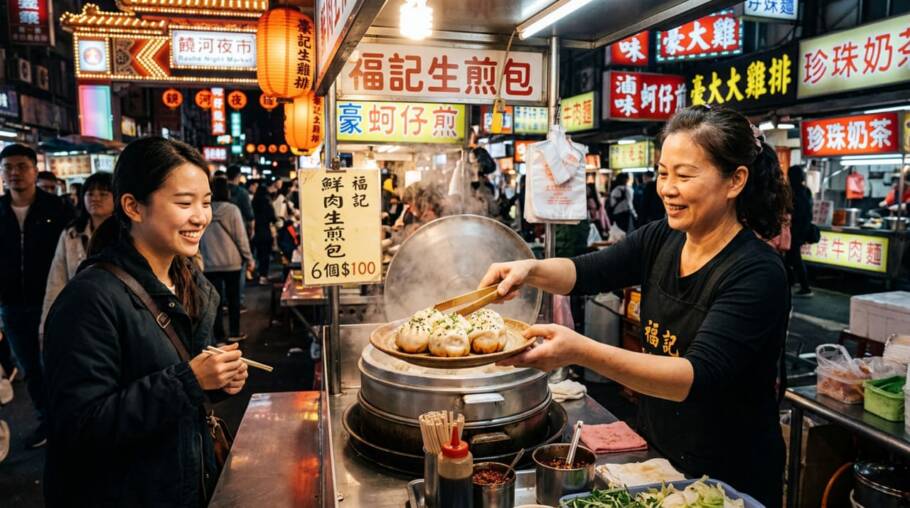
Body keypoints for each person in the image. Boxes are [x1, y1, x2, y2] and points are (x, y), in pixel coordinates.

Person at [480, 106, 791, 507]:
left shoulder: (756, 271)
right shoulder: (663, 237)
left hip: (731, 478)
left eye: (685, 175)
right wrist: (528, 268)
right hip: (662, 461)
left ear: (735, 181)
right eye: (663, 173)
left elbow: (694, 377)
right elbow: (587, 271)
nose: (667, 188)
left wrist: (579, 349)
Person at [43, 137, 248, 507]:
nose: (201, 216)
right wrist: (190, 380)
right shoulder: (91, 298)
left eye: (205, 202)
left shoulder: (189, 282)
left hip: (181, 480)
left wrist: (214, 381)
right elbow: (80, 425)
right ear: (133, 207)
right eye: (184, 203)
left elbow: (170, 376)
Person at [0, 144, 74, 449]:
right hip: (12, 305)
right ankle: (48, 421)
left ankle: (70, 419)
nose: (14, 173)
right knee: (30, 367)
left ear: (35, 169)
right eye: (8, 168)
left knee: (59, 363)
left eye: (21, 166)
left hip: (54, 301)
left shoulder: (57, 209)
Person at [41, 172, 115, 335]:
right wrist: (46, 324)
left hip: (115, 312)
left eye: (103, 194)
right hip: (78, 313)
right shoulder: (72, 233)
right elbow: (57, 278)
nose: (95, 198)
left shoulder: (128, 233)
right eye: (89, 193)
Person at [201, 178, 255, 342]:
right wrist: (249, 258)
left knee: (214, 303)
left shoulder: (205, 210)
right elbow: (241, 238)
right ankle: (234, 332)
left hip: (209, 263)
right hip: (232, 263)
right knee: (233, 300)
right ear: (227, 191)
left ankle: (218, 336)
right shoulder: (232, 210)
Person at [784, 165, 813, 296]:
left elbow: (793, 212)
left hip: (794, 231)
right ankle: (792, 283)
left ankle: (805, 287)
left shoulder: (793, 192)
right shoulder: (806, 191)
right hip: (802, 229)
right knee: (792, 258)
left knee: (794, 258)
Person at [252, 182, 278, 285]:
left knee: (259, 254)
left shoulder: (254, 202)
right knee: (265, 256)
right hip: (266, 232)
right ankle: (263, 276)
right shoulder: (266, 201)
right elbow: (272, 217)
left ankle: (259, 274)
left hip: (256, 232)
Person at [225, 165, 254, 235]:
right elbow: (249, 215)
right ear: (238, 176)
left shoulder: (218, 190)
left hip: (219, 230)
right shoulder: (242, 192)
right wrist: (251, 230)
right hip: (238, 228)